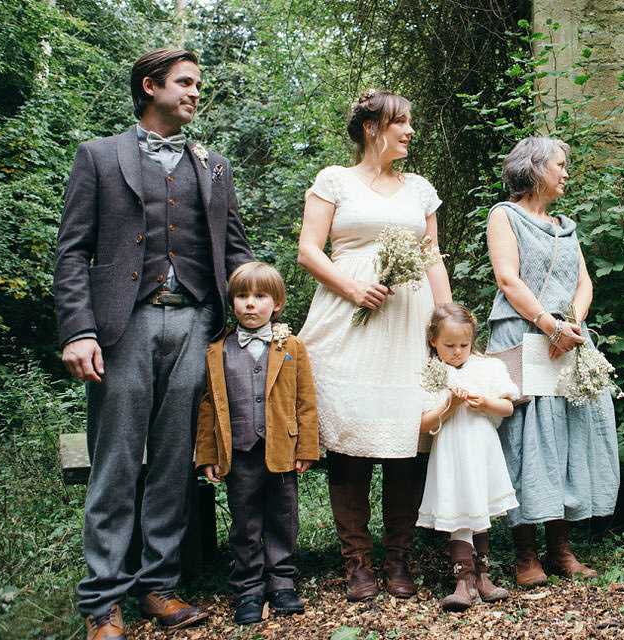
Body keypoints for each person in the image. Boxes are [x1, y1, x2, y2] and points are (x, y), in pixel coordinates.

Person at [53, 48, 254, 640]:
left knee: (172, 462)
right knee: (116, 462)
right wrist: (78, 330)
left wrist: (256, 318)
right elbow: (71, 253)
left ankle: (158, 587)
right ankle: (102, 601)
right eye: (185, 83)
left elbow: (235, 251)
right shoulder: (97, 157)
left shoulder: (212, 165)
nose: (196, 92)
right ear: (151, 86)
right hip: (123, 327)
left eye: (197, 84)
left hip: (195, 323)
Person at [296, 88, 452, 601]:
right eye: (400, 123)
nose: (410, 131)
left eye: (410, 122)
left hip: (408, 321)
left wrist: (446, 323)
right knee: (350, 438)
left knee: (408, 433)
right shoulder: (333, 181)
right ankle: (357, 561)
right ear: (371, 128)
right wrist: (352, 286)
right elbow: (308, 250)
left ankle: (399, 557)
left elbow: (432, 258)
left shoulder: (420, 189)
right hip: (348, 317)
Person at [486, 137, 620, 587]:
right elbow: (507, 278)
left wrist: (572, 325)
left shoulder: (566, 225)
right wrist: (550, 325)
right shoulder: (505, 215)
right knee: (525, 441)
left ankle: (561, 549)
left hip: (565, 340)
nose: (566, 173)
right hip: (522, 336)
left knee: (563, 436)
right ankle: (525, 554)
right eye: (560, 165)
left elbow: (584, 282)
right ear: (535, 168)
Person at [194, 262, 319, 624]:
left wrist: (307, 448)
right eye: (242, 296)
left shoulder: (292, 346)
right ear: (231, 302)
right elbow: (208, 404)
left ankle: (282, 582)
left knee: (283, 518)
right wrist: (208, 454)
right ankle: (248, 588)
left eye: (260, 296)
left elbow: (306, 401)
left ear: (276, 303)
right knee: (245, 522)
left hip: (281, 450)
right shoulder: (217, 350)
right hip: (239, 454)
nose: (251, 304)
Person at [416, 303, 519, 611]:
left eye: (464, 344)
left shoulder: (488, 367)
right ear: (433, 340)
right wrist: (449, 407)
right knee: (459, 508)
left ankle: (483, 577)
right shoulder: (431, 372)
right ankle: (464, 578)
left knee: (479, 505)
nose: (458, 351)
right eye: (449, 345)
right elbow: (423, 423)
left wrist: (485, 402)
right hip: (450, 452)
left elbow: (508, 407)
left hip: (481, 449)